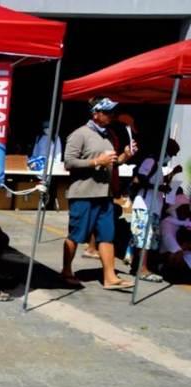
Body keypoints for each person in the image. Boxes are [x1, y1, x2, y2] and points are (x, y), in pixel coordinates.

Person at [62, 96, 135, 289]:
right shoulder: (80, 134)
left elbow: (112, 162)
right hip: (83, 193)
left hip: (105, 194)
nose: (112, 115)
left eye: (113, 112)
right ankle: (66, 270)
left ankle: (110, 278)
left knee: (107, 235)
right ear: (96, 114)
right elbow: (68, 162)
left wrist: (124, 157)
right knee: (76, 234)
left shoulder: (110, 135)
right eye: (108, 112)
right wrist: (96, 162)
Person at [128, 138, 182, 282]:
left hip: (153, 207)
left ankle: (138, 266)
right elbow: (139, 179)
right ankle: (142, 269)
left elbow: (158, 181)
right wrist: (159, 188)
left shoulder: (156, 165)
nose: (172, 157)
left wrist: (173, 174)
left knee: (149, 238)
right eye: (172, 153)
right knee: (144, 237)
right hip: (145, 204)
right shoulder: (150, 161)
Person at [160, 194, 191, 283]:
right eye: (183, 208)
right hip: (170, 256)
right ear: (175, 209)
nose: (186, 211)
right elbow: (169, 240)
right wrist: (182, 247)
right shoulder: (167, 223)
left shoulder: (187, 223)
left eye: (187, 208)